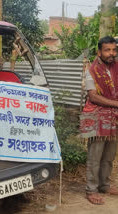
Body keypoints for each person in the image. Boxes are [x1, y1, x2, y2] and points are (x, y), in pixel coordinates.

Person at [80, 36, 118, 205]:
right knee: (95, 156)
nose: (111, 53)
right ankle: (91, 189)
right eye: (107, 50)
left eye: (114, 49)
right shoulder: (92, 70)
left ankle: (104, 184)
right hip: (97, 116)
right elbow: (93, 97)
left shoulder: (116, 68)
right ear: (99, 52)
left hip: (113, 118)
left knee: (109, 155)